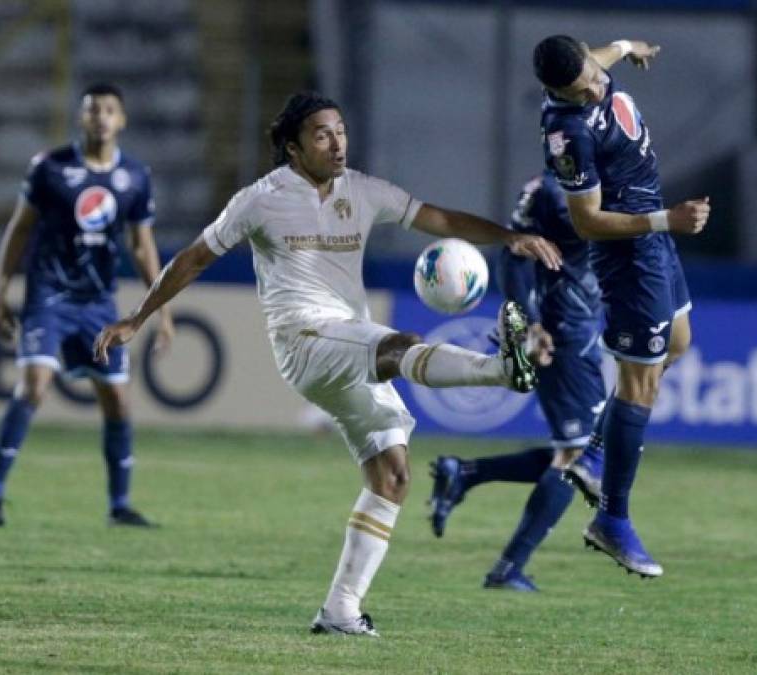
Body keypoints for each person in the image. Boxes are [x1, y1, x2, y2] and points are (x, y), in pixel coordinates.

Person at [92, 91, 562, 636]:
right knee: (396, 345)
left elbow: (436, 217)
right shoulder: (260, 200)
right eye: (321, 134)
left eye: (340, 130)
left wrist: (511, 237)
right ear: (293, 148)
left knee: (393, 474)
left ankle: (340, 610)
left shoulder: (362, 191)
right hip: (302, 339)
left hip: (348, 336)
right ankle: (502, 370)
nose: (337, 142)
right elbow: (193, 258)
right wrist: (138, 317)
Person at [532, 35, 711, 578]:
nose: (591, 90)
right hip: (631, 255)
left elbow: (603, 57)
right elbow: (586, 222)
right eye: (577, 90)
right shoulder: (568, 133)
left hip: (656, 243)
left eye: (591, 76)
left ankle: (590, 454)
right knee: (641, 383)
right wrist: (666, 220)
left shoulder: (592, 66)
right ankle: (612, 520)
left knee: (678, 344)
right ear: (554, 91)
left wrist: (627, 45)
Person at [0, 83, 173, 528]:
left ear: (121, 120)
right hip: (49, 294)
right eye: (92, 110)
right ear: (81, 118)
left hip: (99, 302)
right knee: (34, 386)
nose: (100, 117)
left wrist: (162, 311)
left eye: (108, 110)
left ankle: (119, 506)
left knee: (118, 401)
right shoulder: (49, 168)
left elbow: (143, 248)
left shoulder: (136, 177)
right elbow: (19, 229)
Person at [428, 170, 607, 591]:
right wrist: (529, 325)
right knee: (579, 457)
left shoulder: (556, 184)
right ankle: (508, 568)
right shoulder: (557, 190)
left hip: (576, 328)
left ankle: (466, 473)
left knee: (585, 453)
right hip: (562, 334)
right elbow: (515, 252)